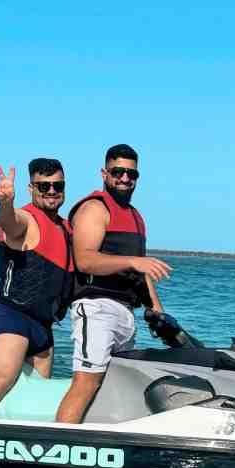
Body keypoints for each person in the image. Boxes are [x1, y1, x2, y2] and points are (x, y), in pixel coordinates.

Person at [56, 144, 171, 423]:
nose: (124, 178)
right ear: (105, 173)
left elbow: (140, 269)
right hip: (95, 308)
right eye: (118, 172)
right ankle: (57, 442)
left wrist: (156, 309)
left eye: (132, 174)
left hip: (125, 312)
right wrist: (133, 262)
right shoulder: (94, 208)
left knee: (115, 383)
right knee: (86, 381)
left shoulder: (135, 216)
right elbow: (85, 261)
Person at [0, 158, 73, 418]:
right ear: (31, 188)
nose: (52, 191)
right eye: (44, 186)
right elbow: (9, 222)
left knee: (36, 394)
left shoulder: (67, 228)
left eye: (58, 185)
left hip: (43, 329)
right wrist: (5, 202)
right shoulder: (26, 219)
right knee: (0, 379)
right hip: (13, 316)